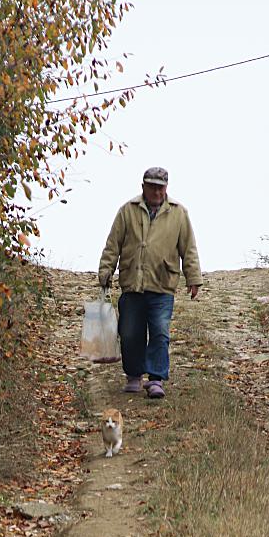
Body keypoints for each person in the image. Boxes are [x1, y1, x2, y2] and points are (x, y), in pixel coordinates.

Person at [98, 166, 202, 398]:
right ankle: (134, 376)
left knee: (160, 332)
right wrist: (105, 272)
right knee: (130, 332)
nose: (156, 191)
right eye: (152, 186)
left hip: (163, 283)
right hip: (132, 283)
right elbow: (113, 244)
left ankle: (155, 379)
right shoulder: (127, 211)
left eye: (160, 187)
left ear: (166, 188)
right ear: (143, 186)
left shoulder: (179, 213)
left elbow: (189, 248)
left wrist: (193, 278)